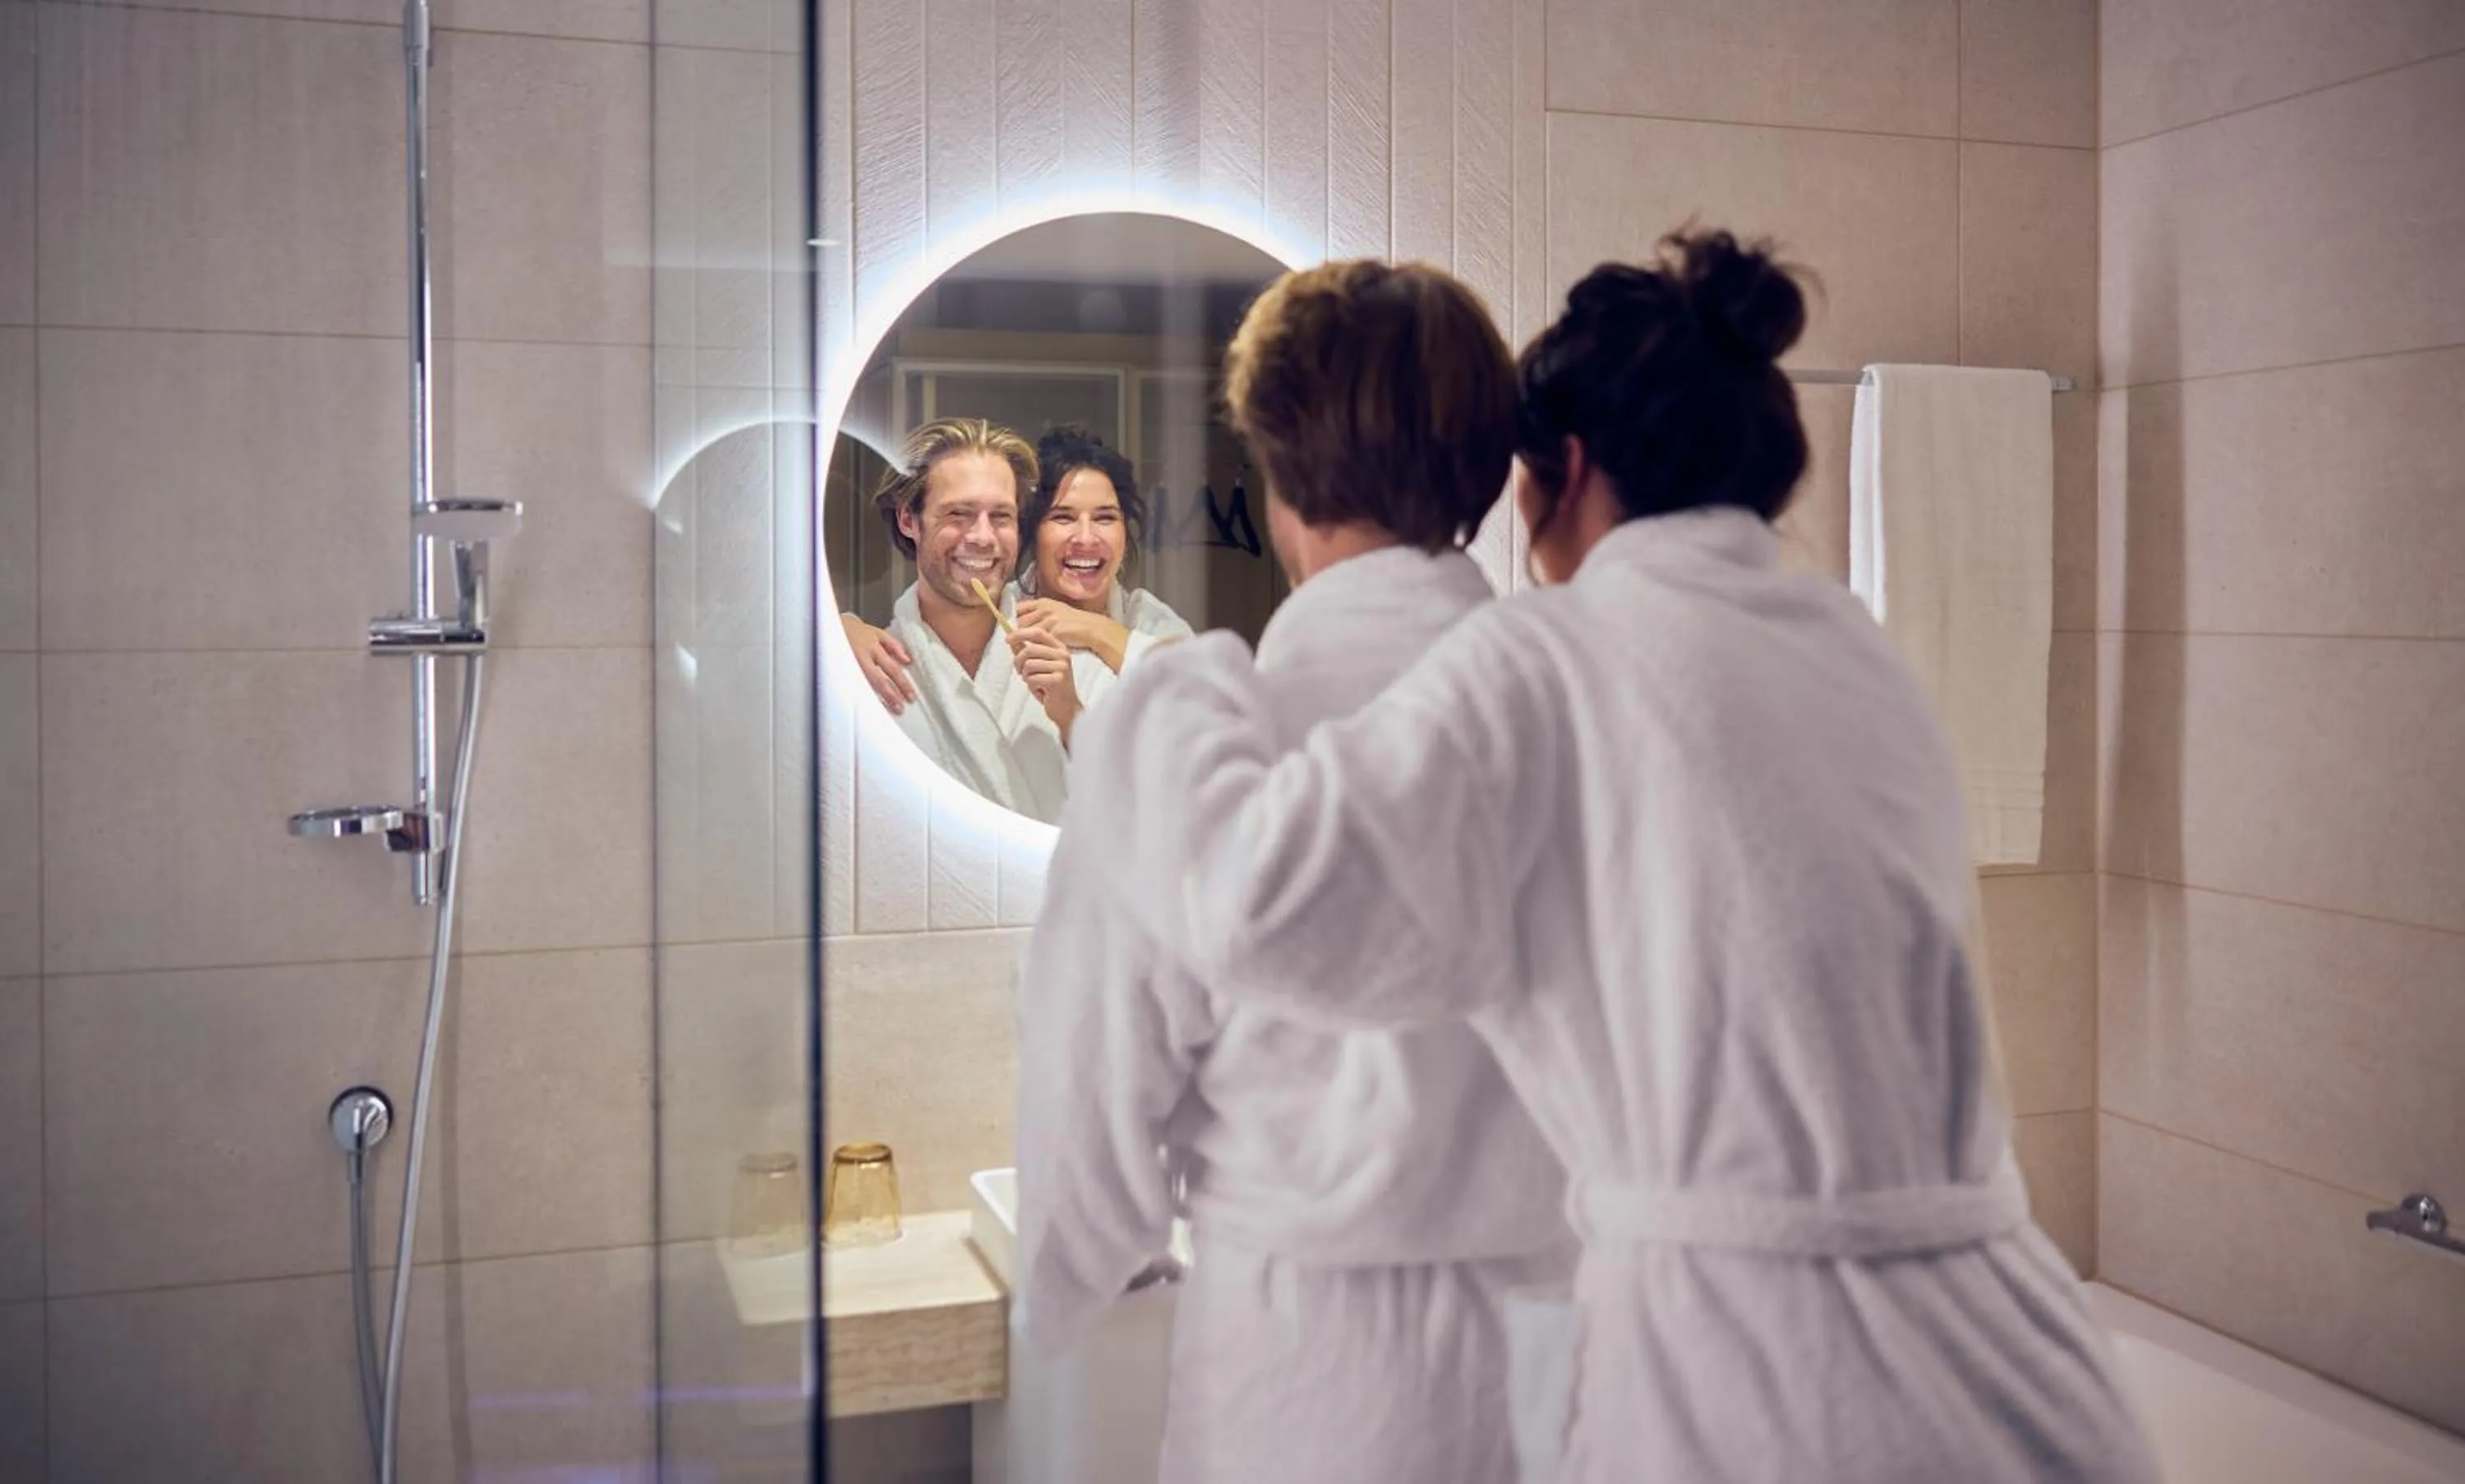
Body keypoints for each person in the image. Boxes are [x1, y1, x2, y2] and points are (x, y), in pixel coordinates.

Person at [1062, 231, 2161, 1483]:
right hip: (2029, 1361)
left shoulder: (1548, 660)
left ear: (1561, 471)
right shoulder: (1858, 652)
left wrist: (1169, 694)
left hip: (1769, 1383)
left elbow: (1269, 910)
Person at [1013, 260, 1575, 1484]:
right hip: (1569, 1360)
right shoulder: (1585, 722)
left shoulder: (1198, 746)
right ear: (1488, 474)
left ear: (1273, 477)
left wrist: (1070, 1285)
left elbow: (1092, 1154)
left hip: (1303, 1380)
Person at [856, 417, 1080, 823]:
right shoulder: (868, 671)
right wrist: (830, 634)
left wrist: (1071, 715)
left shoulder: (1074, 656)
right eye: (958, 513)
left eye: (1001, 516)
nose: (982, 537)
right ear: (910, 521)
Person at [1012, 422, 1195, 709]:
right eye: (1063, 517)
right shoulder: (997, 613)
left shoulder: (1150, 621)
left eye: (1105, 518)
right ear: (1032, 531)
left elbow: (1205, 704)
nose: (1086, 538)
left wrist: (1096, 631)